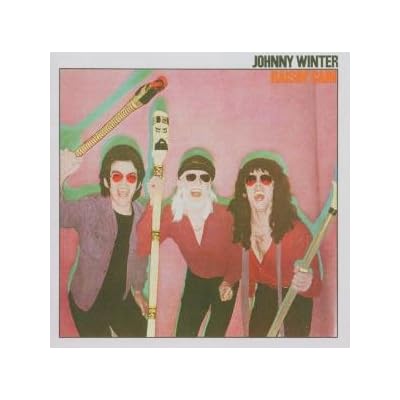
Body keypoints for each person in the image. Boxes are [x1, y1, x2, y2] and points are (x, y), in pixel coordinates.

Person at [137, 150, 241, 337]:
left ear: (209, 184)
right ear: (180, 182)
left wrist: (228, 282)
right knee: (184, 335)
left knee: (215, 337)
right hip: (196, 280)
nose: (197, 183)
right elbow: (143, 246)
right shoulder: (171, 214)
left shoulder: (226, 215)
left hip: (226, 280)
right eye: (191, 177)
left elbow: (237, 255)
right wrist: (153, 202)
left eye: (204, 178)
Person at [60, 142, 149, 337]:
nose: (124, 184)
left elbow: (141, 258)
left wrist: (137, 291)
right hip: (87, 303)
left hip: (121, 300)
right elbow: (59, 214)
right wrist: (58, 176)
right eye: (117, 176)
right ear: (107, 181)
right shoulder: (89, 209)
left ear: (138, 184)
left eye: (131, 177)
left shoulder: (144, 218)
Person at [228, 154, 321, 337]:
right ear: (244, 191)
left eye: (265, 179)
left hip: (294, 299)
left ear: (275, 187)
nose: (258, 185)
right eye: (250, 180)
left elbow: (317, 285)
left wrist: (308, 281)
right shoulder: (239, 230)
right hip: (264, 298)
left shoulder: (296, 232)